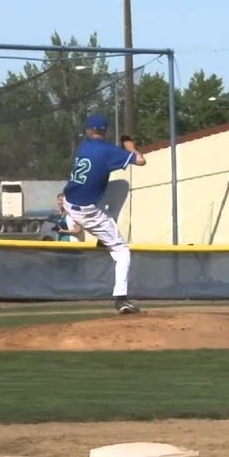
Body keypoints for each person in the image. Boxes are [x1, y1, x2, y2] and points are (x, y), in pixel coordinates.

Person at [62, 113, 147, 314]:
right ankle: (121, 299)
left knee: (120, 186)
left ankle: (104, 236)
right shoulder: (109, 150)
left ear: (89, 131)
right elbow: (141, 161)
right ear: (105, 131)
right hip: (87, 211)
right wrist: (129, 145)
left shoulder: (83, 147)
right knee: (122, 252)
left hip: (69, 201)